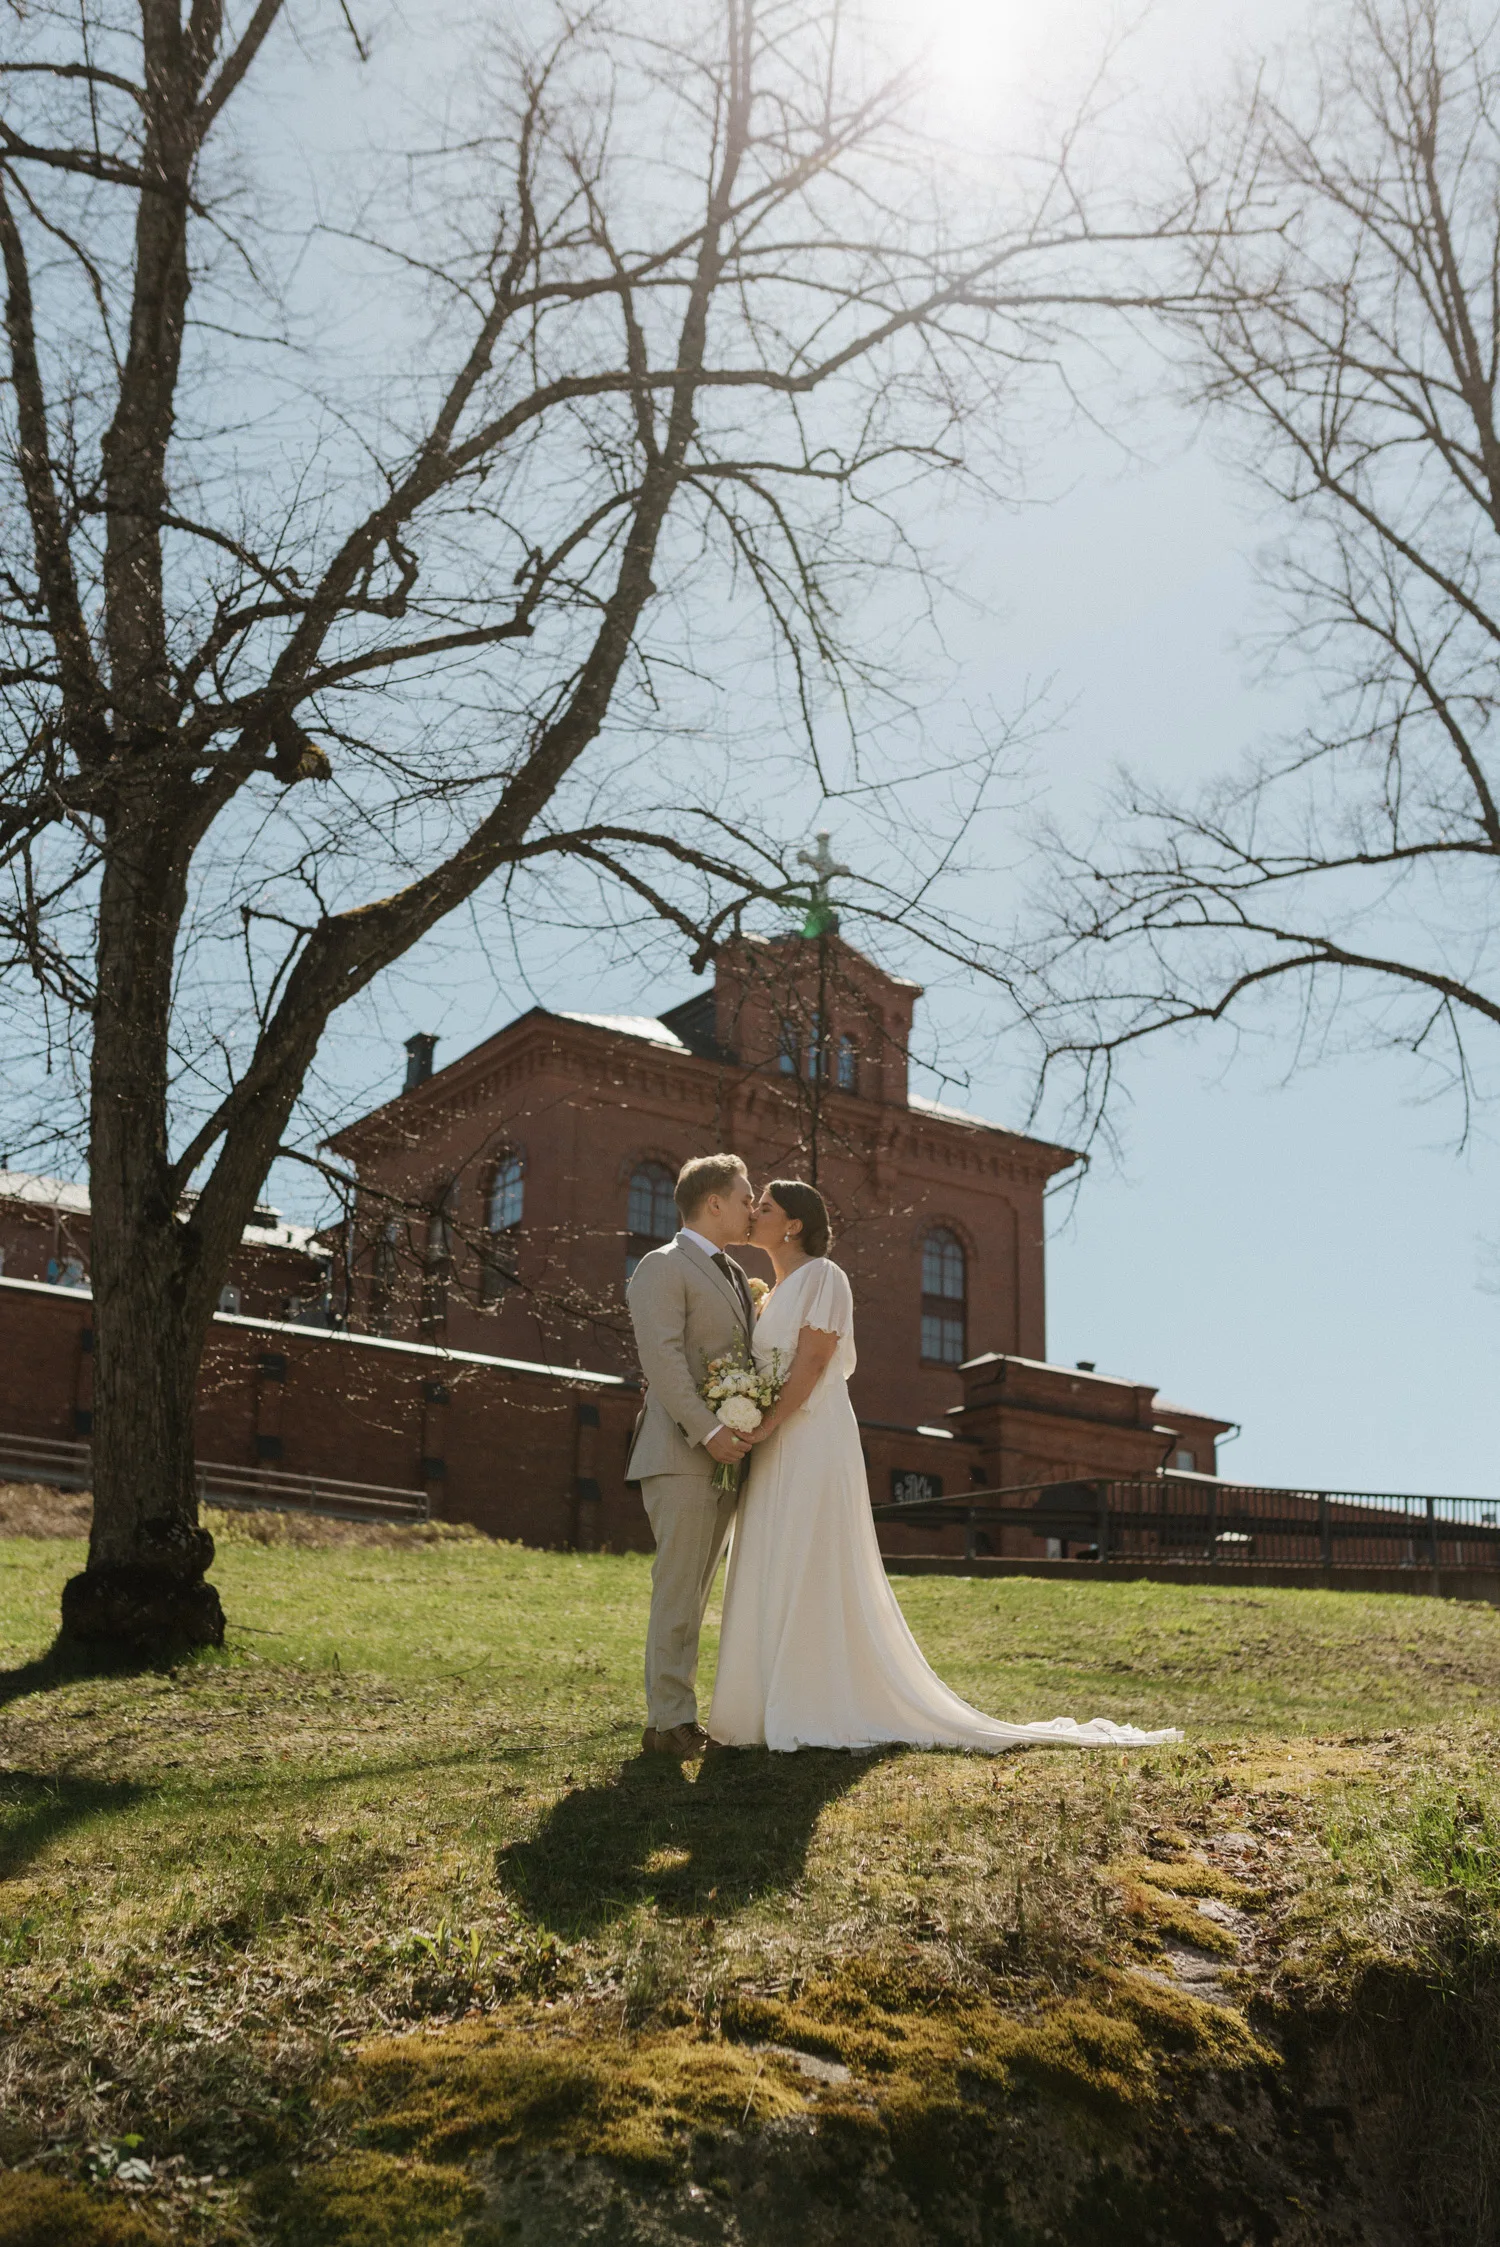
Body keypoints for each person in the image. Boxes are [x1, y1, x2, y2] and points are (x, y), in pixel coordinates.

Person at [708, 1179, 1182, 1754]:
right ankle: (756, 1705)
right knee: (770, 1548)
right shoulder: (770, 1292)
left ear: (793, 1225)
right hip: (774, 1439)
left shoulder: (824, 1278)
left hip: (808, 1436)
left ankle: (811, 1698)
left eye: (765, 1207)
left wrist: (766, 1422)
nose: (753, 1212)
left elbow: (811, 1363)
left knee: (808, 1551)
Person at [625, 1152, 758, 1758]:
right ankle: (668, 1723)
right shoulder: (662, 1267)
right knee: (677, 1592)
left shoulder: (732, 1273)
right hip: (681, 1454)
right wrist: (709, 1432)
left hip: (725, 1457)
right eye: (745, 1196)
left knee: (696, 1595)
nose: (752, 1206)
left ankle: (675, 1716)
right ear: (713, 1203)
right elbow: (664, 1361)